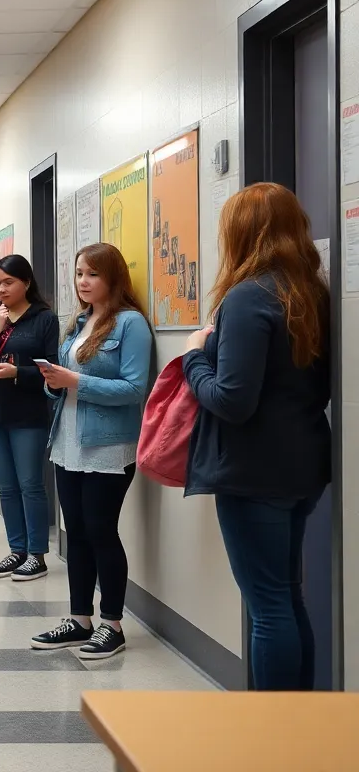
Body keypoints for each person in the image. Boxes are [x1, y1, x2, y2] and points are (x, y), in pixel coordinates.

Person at [182, 183, 330, 690]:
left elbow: (230, 400)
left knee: (268, 608)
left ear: (240, 233)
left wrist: (194, 358)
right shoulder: (312, 291)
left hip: (253, 472)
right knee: (286, 597)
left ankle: (272, 730)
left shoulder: (248, 296)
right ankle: (296, 718)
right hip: (304, 464)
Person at [31, 243, 152, 661]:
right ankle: (79, 619)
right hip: (67, 441)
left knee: (101, 531)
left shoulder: (130, 324)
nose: (83, 282)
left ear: (113, 278)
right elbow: (62, 383)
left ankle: (112, 625)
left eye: (92, 274)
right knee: (76, 532)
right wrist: (52, 381)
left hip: (108, 445)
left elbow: (135, 389)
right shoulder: (78, 322)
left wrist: (74, 381)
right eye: (80, 273)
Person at [0, 255, 60, 581]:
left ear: (26, 283)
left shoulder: (44, 319)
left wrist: (17, 373)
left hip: (28, 415)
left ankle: (37, 554)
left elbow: (52, 370)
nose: (1, 289)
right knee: (7, 487)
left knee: (31, 485)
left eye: (8, 282)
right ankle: (16, 550)